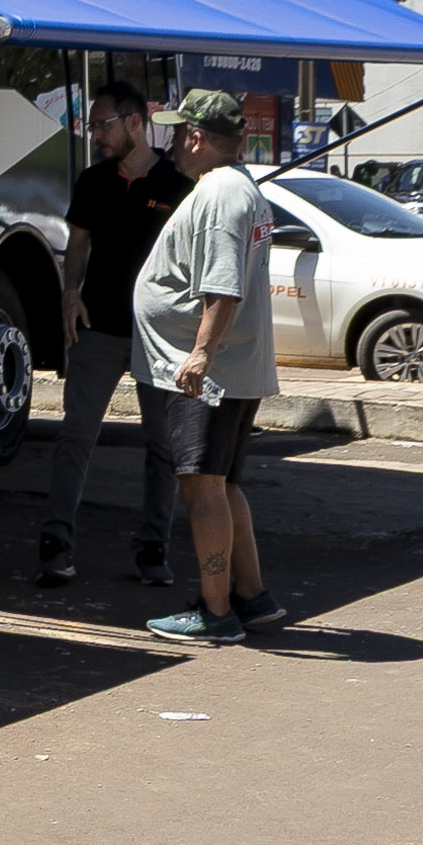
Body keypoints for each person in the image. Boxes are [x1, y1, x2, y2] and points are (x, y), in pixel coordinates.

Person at [131, 89, 285, 644]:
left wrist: (199, 355)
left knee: (202, 487)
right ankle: (251, 595)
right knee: (223, 484)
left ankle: (215, 611)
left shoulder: (220, 193)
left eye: (176, 133)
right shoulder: (237, 189)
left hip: (207, 373)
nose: (171, 144)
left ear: (196, 137)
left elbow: (223, 286)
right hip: (229, 368)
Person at [41, 81, 188, 587]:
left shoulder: (177, 181)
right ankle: (55, 544)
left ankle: (153, 548)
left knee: (163, 445)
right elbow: (77, 243)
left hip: (159, 333)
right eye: (92, 125)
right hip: (97, 325)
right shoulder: (94, 180)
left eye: (102, 124)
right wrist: (69, 293)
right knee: (75, 434)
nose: (95, 134)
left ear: (134, 122)